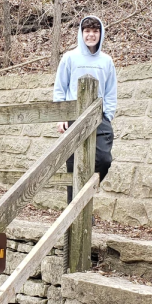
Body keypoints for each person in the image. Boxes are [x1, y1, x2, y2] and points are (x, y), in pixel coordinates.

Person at [53, 15, 117, 201]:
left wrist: (108, 116)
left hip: (99, 116)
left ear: (100, 33)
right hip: (73, 114)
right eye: (87, 31)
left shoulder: (106, 61)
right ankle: (76, 213)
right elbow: (60, 88)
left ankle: (87, 194)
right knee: (73, 166)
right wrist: (61, 116)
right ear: (81, 33)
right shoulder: (70, 57)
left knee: (104, 159)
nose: (91, 35)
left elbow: (111, 90)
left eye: (95, 31)